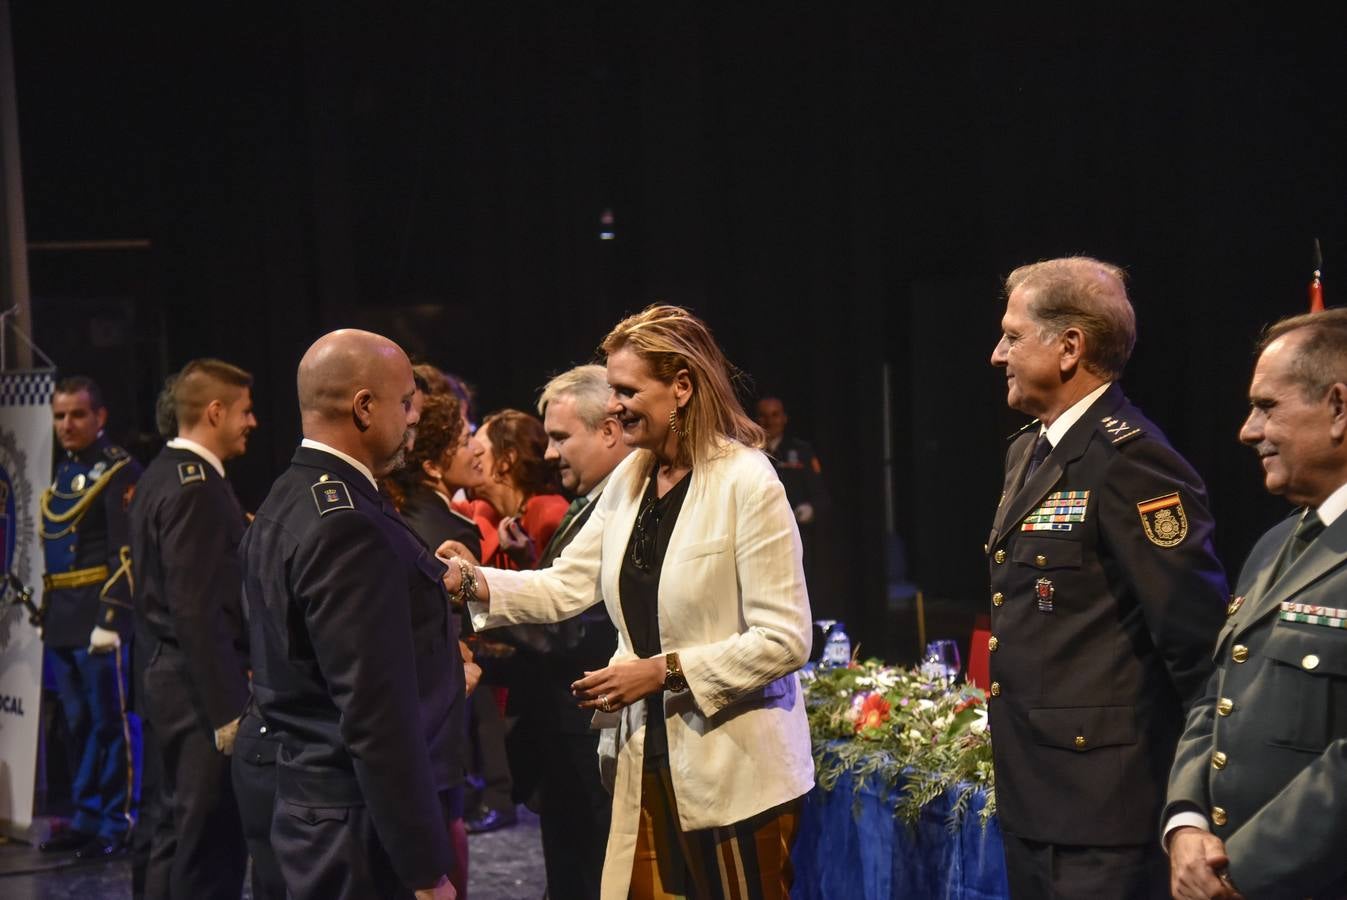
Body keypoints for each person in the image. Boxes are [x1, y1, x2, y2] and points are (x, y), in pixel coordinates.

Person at [442, 305, 814, 900]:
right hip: (646, 762)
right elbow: (566, 583)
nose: (612, 405)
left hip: (736, 771)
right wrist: (470, 581)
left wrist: (662, 672)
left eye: (626, 390)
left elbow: (786, 639)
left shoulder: (749, 481)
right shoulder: (632, 477)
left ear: (683, 388)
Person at [985, 257, 1228, 898]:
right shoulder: (1028, 449)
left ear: (1069, 348)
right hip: (1034, 796)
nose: (996, 354)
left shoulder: (1133, 462)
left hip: (1104, 815)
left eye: (1013, 336)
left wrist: (1197, 804)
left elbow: (1196, 644)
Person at [239, 329, 457, 900]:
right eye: (406, 401)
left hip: (311, 811)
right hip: (358, 829)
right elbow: (375, 716)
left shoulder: (289, 495)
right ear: (365, 407)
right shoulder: (348, 525)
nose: (413, 418)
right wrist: (424, 868)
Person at [1165, 308, 1347, 900]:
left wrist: (1241, 868)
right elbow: (1219, 697)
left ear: (1339, 408)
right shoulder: (1276, 544)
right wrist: (1187, 821)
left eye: (1267, 407)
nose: (1247, 430)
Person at [129, 359, 256, 898]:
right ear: (215, 412)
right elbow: (196, 606)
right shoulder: (196, 487)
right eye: (246, 411)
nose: (253, 422)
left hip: (168, 678)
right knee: (205, 838)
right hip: (196, 687)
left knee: (169, 829)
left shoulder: (160, 472)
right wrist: (228, 708)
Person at [502, 364, 627, 899]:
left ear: (608, 430)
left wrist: (470, 595)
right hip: (564, 732)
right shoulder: (589, 505)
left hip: (590, 735)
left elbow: (579, 631)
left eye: (560, 437)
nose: (549, 454)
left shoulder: (626, 507)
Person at [383, 388, 485, 900]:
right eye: (466, 438)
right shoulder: (439, 524)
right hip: (438, 695)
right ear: (439, 453)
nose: (476, 450)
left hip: (428, 693)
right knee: (443, 814)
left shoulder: (396, 509)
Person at [38, 376, 144, 859]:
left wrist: (113, 617)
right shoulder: (63, 473)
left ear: (99, 417)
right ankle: (85, 814)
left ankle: (118, 819)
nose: (66, 425)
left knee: (111, 723)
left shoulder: (118, 470)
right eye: (60, 416)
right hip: (63, 617)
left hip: (100, 617)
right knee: (78, 724)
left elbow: (128, 553)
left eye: (77, 415)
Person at [458, 408, 568, 834]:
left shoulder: (547, 512)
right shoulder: (486, 513)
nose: (469, 452)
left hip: (547, 683)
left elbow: (561, 610)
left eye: (477, 446)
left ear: (505, 460)